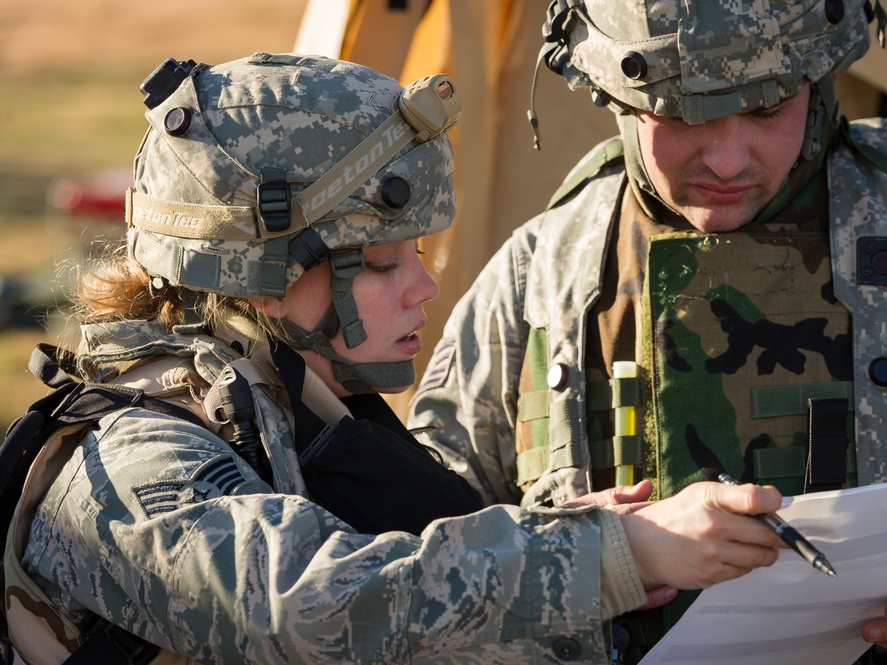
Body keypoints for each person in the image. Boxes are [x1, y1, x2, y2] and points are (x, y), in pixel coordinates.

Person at [0, 52, 795, 665]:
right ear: (264, 281)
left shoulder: (289, 412)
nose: (423, 284)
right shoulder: (131, 459)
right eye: (381, 262)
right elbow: (311, 600)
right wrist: (611, 555)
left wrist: (553, 539)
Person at [408, 1, 887, 664]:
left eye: (766, 108)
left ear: (816, 81)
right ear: (618, 97)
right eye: (681, 112)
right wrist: (570, 557)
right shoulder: (544, 271)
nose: (724, 158)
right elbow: (422, 540)